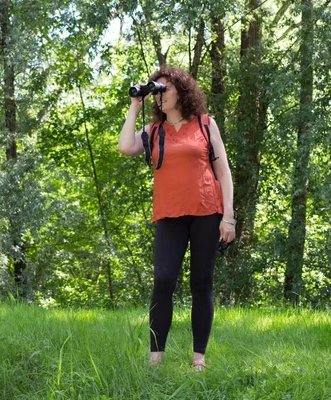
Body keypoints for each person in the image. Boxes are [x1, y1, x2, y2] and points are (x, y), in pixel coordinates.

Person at [118, 66, 236, 370]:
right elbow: (125, 146)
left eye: (163, 89)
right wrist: (135, 104)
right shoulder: (154, 131)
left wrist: (229, 217)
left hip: (207, 211)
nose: (159, 96)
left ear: (181, 91)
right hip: (169, 214)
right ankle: (155, 358)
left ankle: (199, 359)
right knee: (163, 280)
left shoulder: (206, 124)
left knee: (201, 282)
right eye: (155, 90)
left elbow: (223, 173)